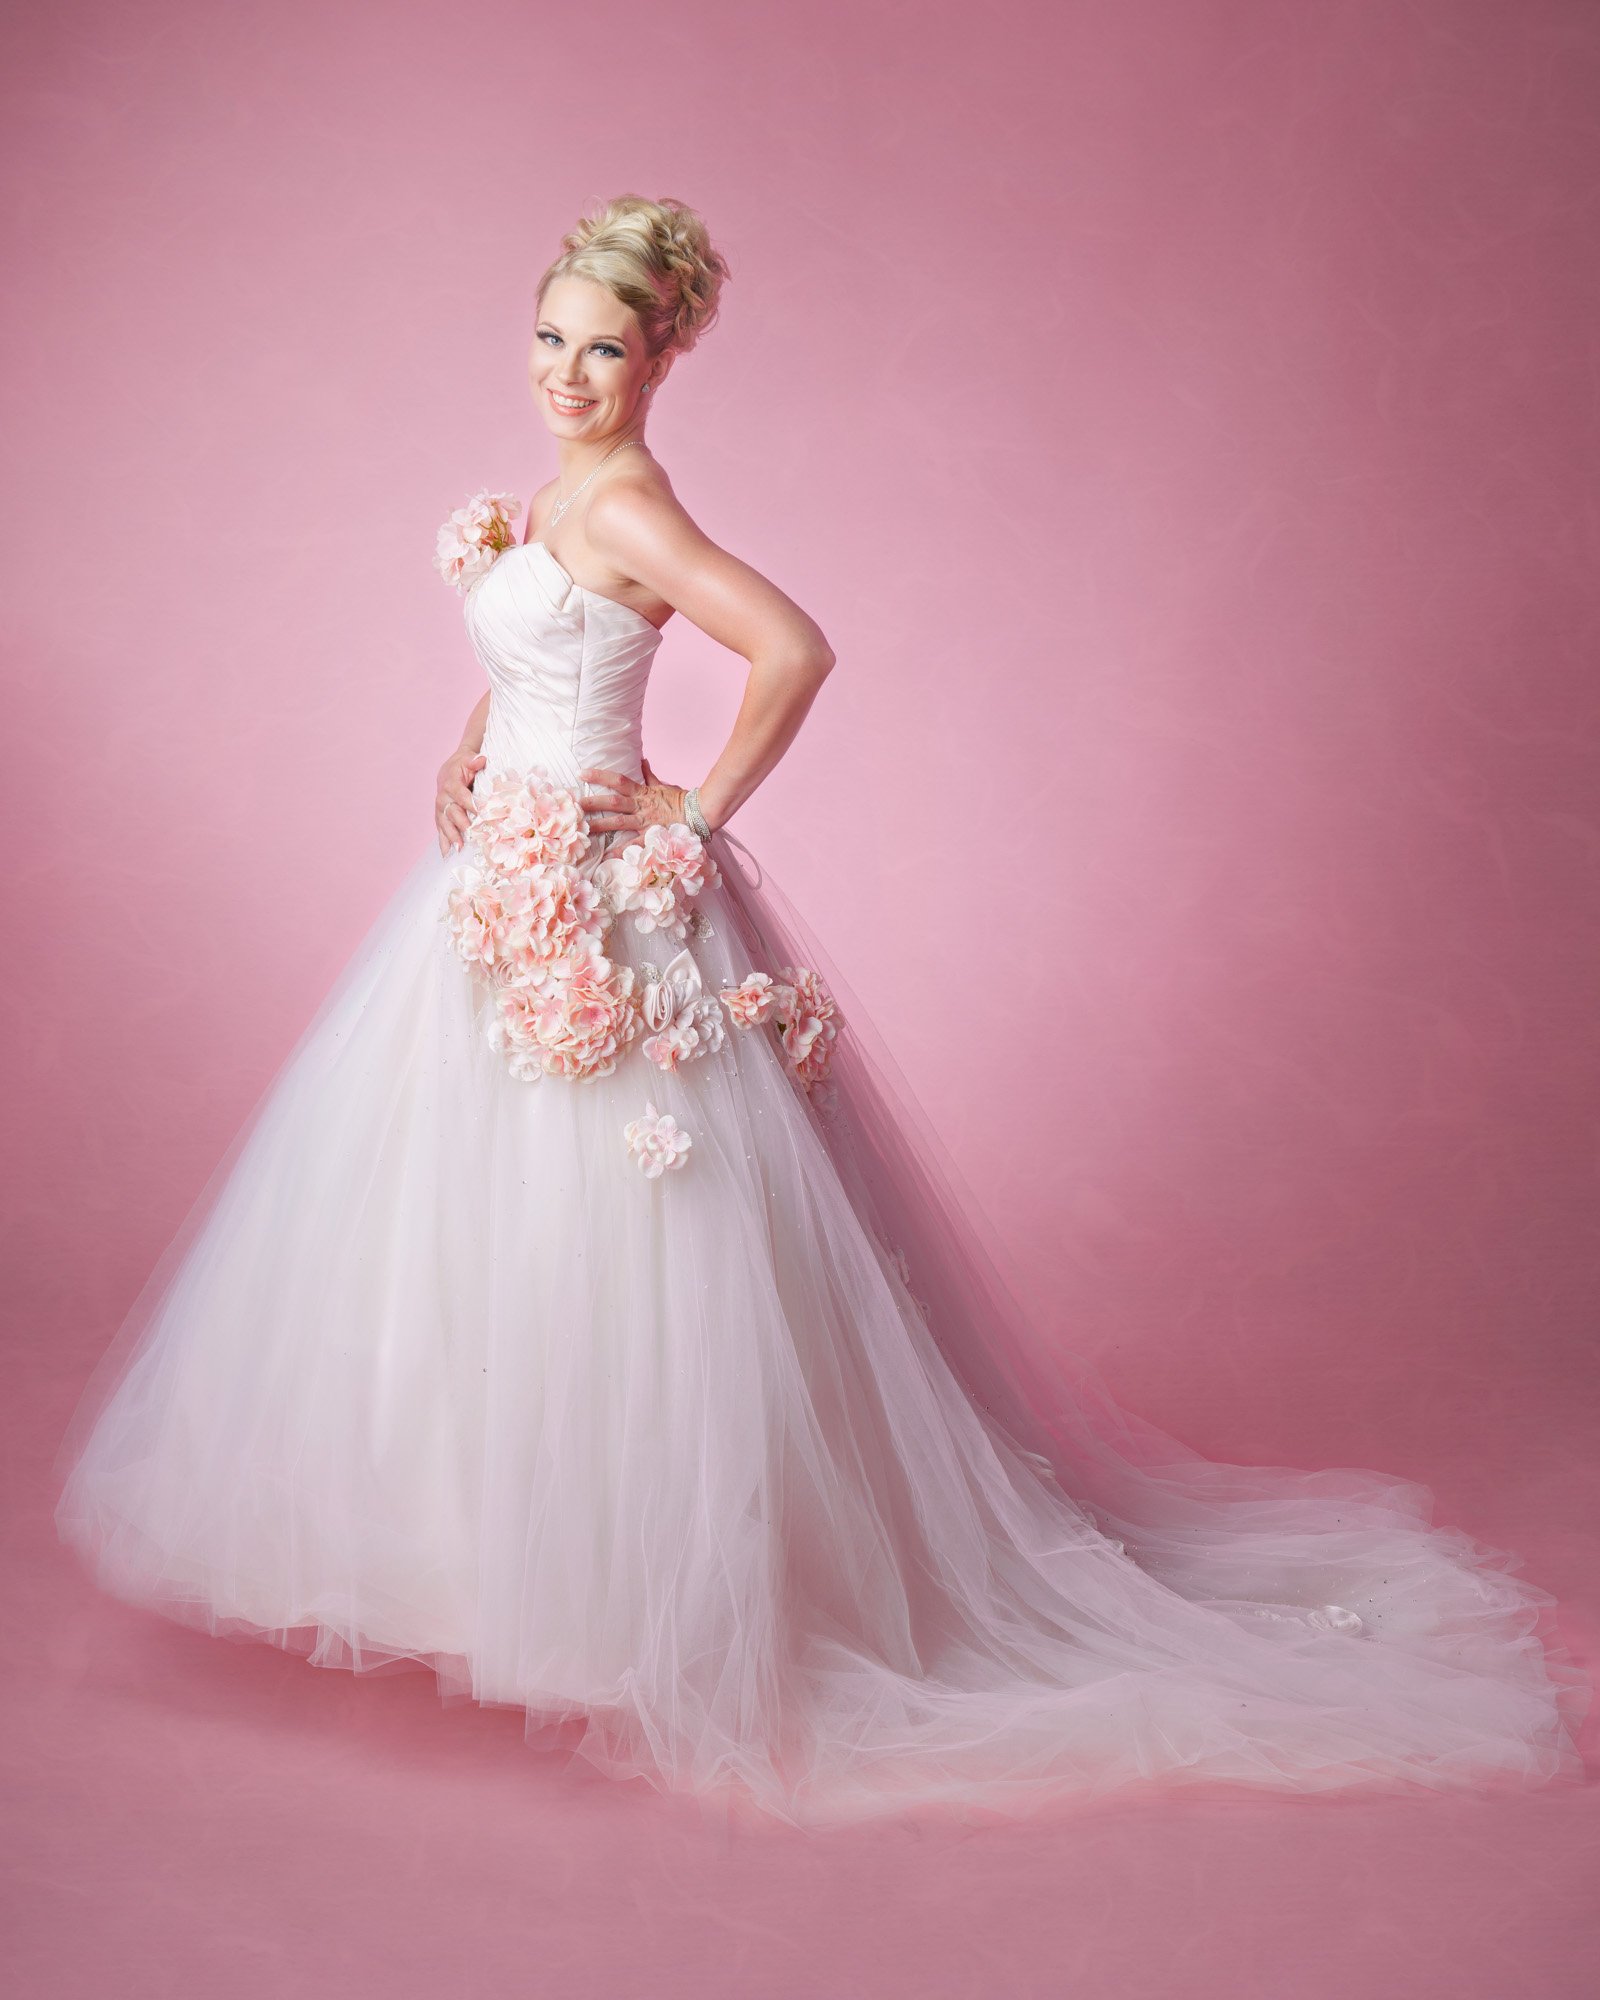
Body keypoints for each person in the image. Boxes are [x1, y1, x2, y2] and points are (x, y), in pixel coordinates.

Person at [54, 194, 1588, 1831]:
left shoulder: (626, 500)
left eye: (604, 351)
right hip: (502, 884)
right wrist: (467, 742)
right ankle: (504, 1575)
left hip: (597, 901)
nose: (567, 373)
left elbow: (791, 646)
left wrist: (695, 809)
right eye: (550, 338)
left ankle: (630, 1600)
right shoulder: (560, 491)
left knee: (620, 1241)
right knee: (480, 1233)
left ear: (661, 361)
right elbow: (540, 650)